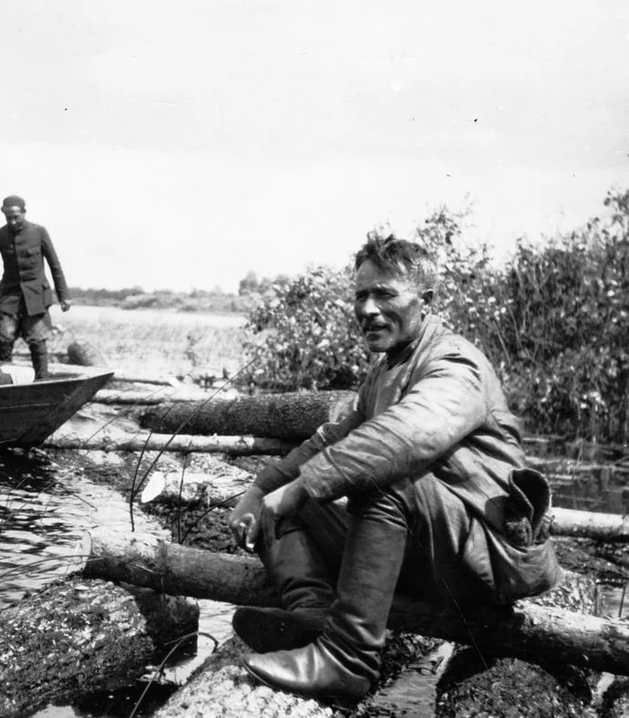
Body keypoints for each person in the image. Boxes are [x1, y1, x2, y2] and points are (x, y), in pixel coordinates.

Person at [228, 235, 561, 705]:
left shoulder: (455, 363)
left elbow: (403, 438)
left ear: (425, 302)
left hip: (483, 566)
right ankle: (316, 620)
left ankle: (347, 661)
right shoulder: (385, 370)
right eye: (360, 294)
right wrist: (261, 490)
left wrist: (303, 488)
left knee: (380, 475)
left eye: (384, 294)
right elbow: (331, 439)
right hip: (429, 551)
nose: (367, 308)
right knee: (279, 505)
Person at [0, 194, 71, 380]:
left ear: (24, 212)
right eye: (8, 217)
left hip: (36, 297)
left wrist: (64, 296)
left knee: (38, 341)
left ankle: (42, 382)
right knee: (5, 340)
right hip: (9, 297)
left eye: (16, 216)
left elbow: (55, 265)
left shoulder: (39, 232)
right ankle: (2, 381)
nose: (12, 221)